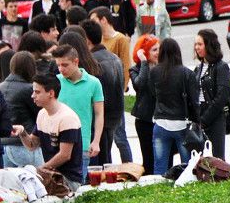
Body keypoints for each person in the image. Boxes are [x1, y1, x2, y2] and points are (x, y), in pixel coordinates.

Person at [11, 73, 84, 189]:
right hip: (50, 174)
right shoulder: (42, 114)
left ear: (51, 93)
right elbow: (32, 145)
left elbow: (65, 155)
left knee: (26, 185)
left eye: (37, 92)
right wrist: (22, 132)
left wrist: (40, 170)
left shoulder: (67, 117)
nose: (32, 96)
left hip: (68, 179)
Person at [52, 43, 103, 181]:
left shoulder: (94, 83)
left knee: (78, 185)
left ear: (76, 62)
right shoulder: (55, 82)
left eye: (65, 65)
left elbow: (99, 114)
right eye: (58, 65)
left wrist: (96, 141)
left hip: (82, 144)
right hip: (57, 145)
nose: (61, 69)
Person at [149, 38, 199, 175]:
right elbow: (194, 101)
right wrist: (199, 121)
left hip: (160, 123)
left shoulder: (154, 72)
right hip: (181, 124)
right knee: (188, 167)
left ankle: (158, 193)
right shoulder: (186, 73)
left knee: (159, 166)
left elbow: (153, 94)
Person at [83, 19, 125, 165]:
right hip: (115, 115)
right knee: (106, 155)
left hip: (101, 117)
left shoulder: (92, 62)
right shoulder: (115, 58)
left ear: (86, 40)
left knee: (100, 159)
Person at [193, 29, 230, 159]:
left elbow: (222, 96)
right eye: (196, 44)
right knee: (199, 158)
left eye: (200, 44)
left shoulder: (221, 67)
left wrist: (205, 119)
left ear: (209, 45)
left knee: (217, 158)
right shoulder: (198, 68)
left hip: (215, 117)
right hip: (200, 114)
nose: (196, 48)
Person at [0, 52, 44, 168]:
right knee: (37, 183)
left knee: (9, 185)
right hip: (25, 144)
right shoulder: (30, 89)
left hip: (3, 145)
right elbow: (40, 115)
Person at [131, 37, 160, 175]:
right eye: (154, 50)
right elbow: (139, 85)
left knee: (162, 154)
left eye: (159, 49)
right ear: (144, 52)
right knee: (148, 156)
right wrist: (143, 62)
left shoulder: (163, 66)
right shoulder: (135, 69)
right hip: (145, 119)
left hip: (162, 118)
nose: (158, 52)